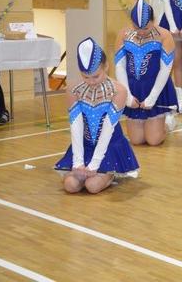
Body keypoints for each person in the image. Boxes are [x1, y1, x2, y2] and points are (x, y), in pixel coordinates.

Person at [55, 38, 139, 193]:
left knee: (92, 186)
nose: (91, 82)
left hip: (109, 145)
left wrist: (94, 164)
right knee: (70, 185)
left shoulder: (118, 91)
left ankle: (111, 174)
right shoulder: (74, 89)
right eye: (85, 77)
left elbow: (107, 128)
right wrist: (78, 162)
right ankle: (89, 170)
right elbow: (76, 125)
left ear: (106, 67)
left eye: (96, 76)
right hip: (86, 145)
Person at [114, 0, 177, 146]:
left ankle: (168, 124)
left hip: (156, 86)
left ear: (154, 21)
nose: (141, 32)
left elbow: (165, 69)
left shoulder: (164, 35)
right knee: (136, 140)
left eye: (146, 28)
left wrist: (153, 97)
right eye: (137, 28)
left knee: (153, 140)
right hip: (134, 88)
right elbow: (120, 66)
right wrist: (128, 96)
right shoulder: (123, 34)